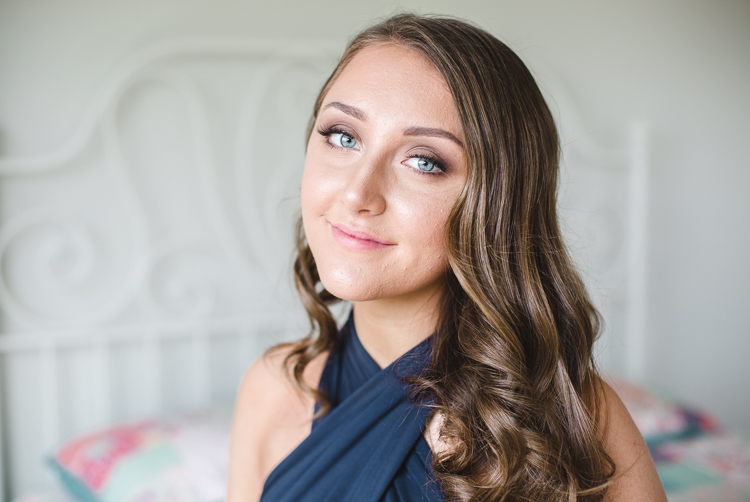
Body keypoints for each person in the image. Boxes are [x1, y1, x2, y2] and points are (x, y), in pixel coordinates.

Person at [227, 14, 666, 502]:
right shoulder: (272, 390)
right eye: (343, 136)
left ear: (494, 202)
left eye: (424, 161)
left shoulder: (573, 418)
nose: (357, 193)